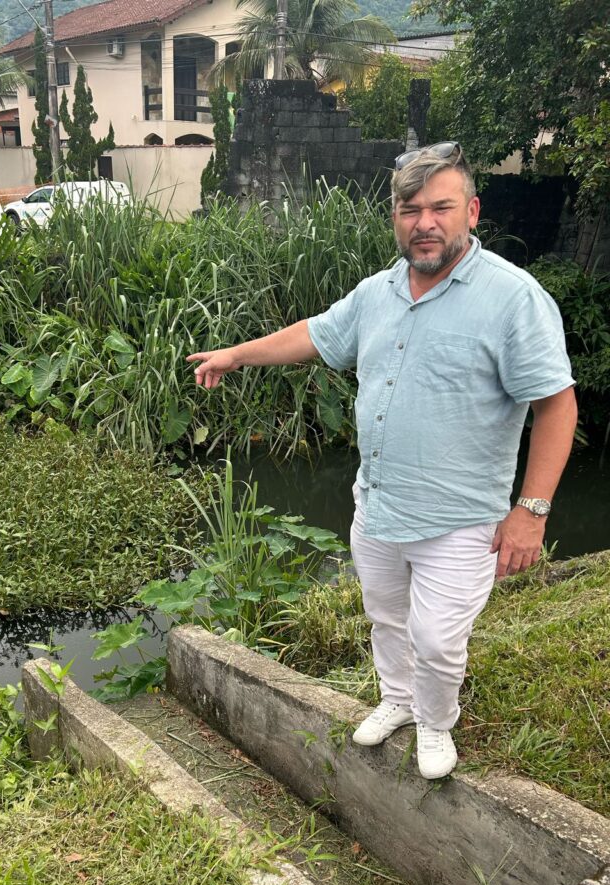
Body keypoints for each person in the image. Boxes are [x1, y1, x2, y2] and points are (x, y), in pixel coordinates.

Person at [186, 142, 577, 781]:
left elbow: (556, 405)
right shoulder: (378, 291)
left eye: (440, 208)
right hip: (378, 504)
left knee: (438, 639)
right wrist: (235, 354)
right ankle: (397, 698)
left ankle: (435, 719)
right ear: (394, 217)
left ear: (472, 211)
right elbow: (315, 334)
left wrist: (530, 512)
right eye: (409, 209)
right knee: (387, 618)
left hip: (461, 519)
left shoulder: (514, 298)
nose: (425, 223)